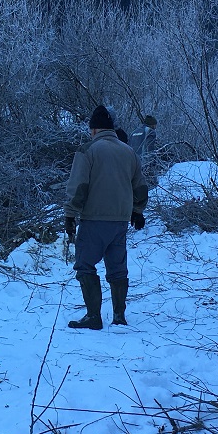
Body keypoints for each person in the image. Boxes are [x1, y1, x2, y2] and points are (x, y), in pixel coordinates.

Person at [64, 105, 148, 329]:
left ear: (94, 129)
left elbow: (79, 186)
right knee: (117, 268)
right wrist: (138, 211)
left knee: (85, 265)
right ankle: (119, 315)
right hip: (120, 221)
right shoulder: (128, 152)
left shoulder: (88, 150)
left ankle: (93, 316)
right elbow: (140, 186)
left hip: (94, 219)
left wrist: (70, 214)